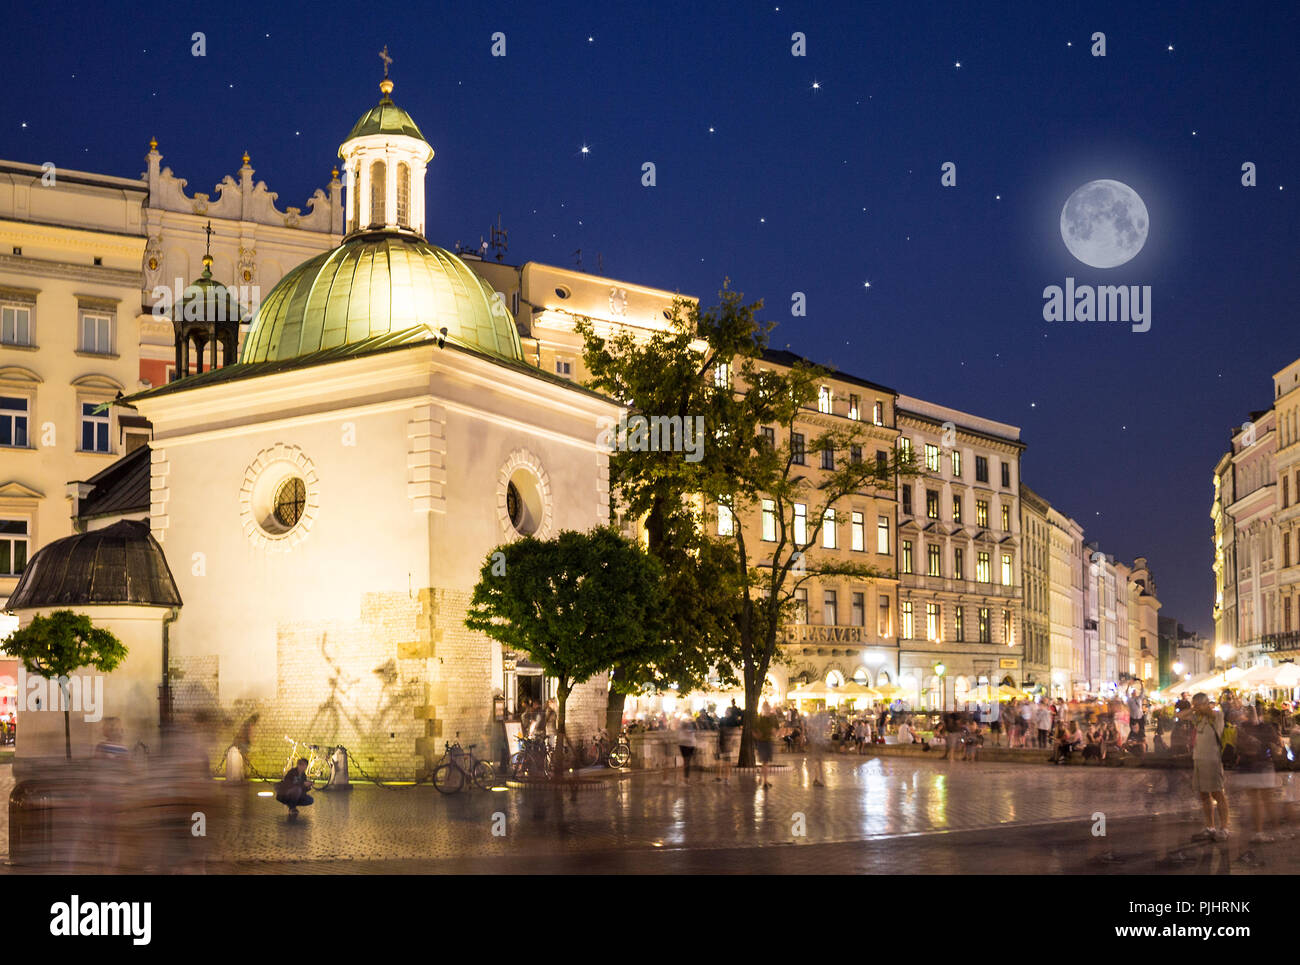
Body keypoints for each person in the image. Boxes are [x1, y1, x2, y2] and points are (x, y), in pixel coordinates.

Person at [1233, 705, 1281, 843]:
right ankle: (1274, 830)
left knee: (1258, 802)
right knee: (1267, 800)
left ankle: (1261, 832)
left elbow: (1237, 746)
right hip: (1262, 765)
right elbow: (1276, 743)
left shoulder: (1242, 728)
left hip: (1249, 766)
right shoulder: (1265, 727)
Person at [1190, 693, 1230, 842]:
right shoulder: (1198, 718)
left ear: (1206, 704)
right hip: (1198, 759)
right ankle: (1210, 827)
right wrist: (1194, 708)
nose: (1195, 708)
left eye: (1197, 704)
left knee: (1217, 793)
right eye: (1193, 704)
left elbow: (1211, 712)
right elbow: (1180, 715)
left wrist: (1203, 707)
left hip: (1212, 759)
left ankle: (1224, 828)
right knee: (1204, 794)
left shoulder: (1217, 716)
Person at [676, 714, 697, 782]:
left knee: (686, 761)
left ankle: (685, 777)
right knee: (687, 761)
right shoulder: (692, 724)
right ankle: (685, 777)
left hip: (684, 744)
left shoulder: (683, 724)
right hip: (689, 744)